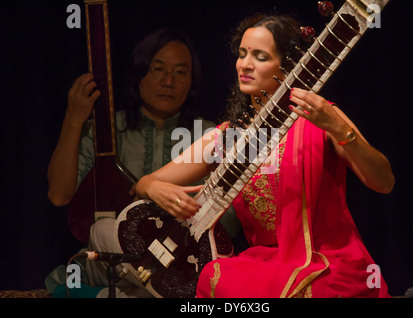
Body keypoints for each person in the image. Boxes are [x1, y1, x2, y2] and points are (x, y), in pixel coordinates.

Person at [134, 14, 395, 298]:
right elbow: (145, 183)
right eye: (243, 54)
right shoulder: (229, 138)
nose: (245, 64)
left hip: (329, 261)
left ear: (287, 68)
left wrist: (339, 127)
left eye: (260, 56)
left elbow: (383, 182)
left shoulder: (320, 118)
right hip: (264, 264)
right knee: (216, 277)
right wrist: (152, 187)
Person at [45, 28, 241, 298]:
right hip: (115, 258)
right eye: (157, 69)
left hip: (182, 261)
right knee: (101, 233)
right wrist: (73, 120)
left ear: (191, 81)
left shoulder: (210, 135)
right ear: (139, 72)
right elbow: (58, 195)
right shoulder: (107, 132)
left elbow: (230, 222)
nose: (168, 81)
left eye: (180, 72)